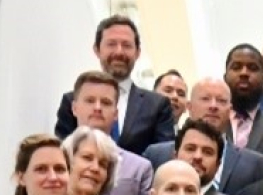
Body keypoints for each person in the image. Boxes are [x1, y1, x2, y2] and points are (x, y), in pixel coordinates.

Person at [53, 13, 175, 153]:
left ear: (137, 52)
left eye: (126, 45)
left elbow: (163, 157)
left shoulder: (157, 106)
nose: (119, 52)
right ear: (97, 50)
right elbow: (61, 153)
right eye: (111, 44)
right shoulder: (72, 100)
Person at [66, 70, 153, 195]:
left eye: (106, 102)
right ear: (74, 108)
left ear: (115, 113)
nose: (98, 108)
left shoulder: (139, 169)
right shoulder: (56, 159)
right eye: (90, 100)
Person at [225, 42, 263, 151]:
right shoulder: (212, 121)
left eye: (253, 68)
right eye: (236, 67)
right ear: (225, 77)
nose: (244, 73)